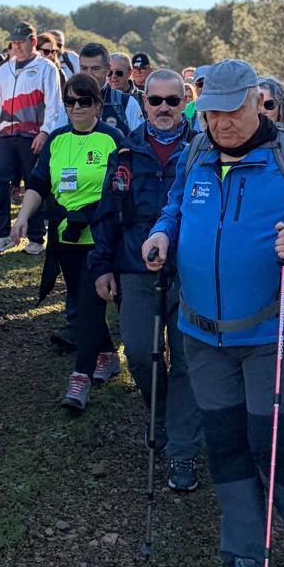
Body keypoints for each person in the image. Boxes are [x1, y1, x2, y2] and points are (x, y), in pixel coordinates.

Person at [144, 60, 284, 567]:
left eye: (232, 111)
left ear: (258, 102)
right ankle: (247, 563)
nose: (221, 123)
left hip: (269, 330)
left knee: (271, 445)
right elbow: (176, 208)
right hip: (201, 333)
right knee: (228, 447)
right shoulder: (196, 152)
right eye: (211, 112)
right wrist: (162, 234)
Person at [89, 68, 203, 490]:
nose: (164, 109)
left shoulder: (202, 150)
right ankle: (160, 413)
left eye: (173, 101)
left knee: (188, 361)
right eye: (155, 101)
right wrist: (102, 266)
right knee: (140, 352)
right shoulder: (125, 153)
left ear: (184, 102)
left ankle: (183, 451)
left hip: (191, 274)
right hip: (134, 270)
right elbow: (106, 214)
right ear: (145, 102)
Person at [10, 73, 122, 410]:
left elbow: (120, 191)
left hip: (99, 236)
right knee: (81, 298)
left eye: (84, 101)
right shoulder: (57, 139)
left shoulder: (112, 139)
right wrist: (23, 216)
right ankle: (107, 355)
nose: (76, 107)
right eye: (70, 101)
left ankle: (80, 377)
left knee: (89, 303)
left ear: (98, 105)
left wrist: (98, 217)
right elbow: (39, 183)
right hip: (64, 236)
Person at [0, 22, 63, 255]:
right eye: (13, 42)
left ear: (33, 42)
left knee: (34, 183)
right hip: (6, 135)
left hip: (33, 135)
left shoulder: (47, 68)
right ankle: (1, 234)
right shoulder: (3, 69)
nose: (16, 46)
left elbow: (54, 103)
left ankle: (36, 237)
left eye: (21, 41)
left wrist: (45, 131)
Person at [80, 43, 142, 132]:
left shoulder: (128, 103)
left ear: (107, 69)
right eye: (84, 68)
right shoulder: (68, 104)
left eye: (95, 68)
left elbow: (140, 142)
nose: (89, 74)